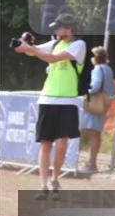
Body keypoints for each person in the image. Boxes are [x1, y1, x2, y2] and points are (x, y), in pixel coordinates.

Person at [13, 12, 86, 200]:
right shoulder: (54, 43)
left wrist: (33, 49)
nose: (56, 30)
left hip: (67, 101)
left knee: (62, 145)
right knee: (45, 145)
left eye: (59, 27)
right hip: (47, 99)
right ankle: (43, 185)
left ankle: (55, 179)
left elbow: (53, 59)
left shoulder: (78, 45)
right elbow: (28, 51)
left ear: (69, 29)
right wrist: (25, 43)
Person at [79, 45, 115, 174]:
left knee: (92, 135)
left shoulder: (97, 69)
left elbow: (95, 86)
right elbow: (112, 87)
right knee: (96, 134)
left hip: (94, 103)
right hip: (103, 103)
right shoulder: (108, 69)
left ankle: (92, 164)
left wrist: (86, 92)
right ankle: (92, 162)